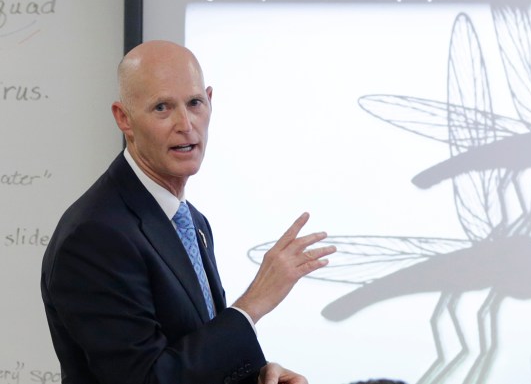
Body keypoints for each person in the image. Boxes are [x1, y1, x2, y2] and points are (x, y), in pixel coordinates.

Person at [40, 40, 336, 384]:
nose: (185, 124)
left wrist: (257, 378)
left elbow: (192, 354)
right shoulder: (95, 235)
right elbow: (148, 379)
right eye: (162, 107)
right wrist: (252, 305)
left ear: (210, 100)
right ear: (124, 119)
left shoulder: (191, 220)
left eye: (195, 103)